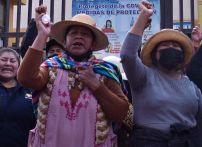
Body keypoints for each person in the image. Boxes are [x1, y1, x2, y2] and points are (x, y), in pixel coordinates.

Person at [18, 13, 129, 146]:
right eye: (73, 33)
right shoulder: (50, 67)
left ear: (93, 44)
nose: (78, 36)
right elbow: (26, 78)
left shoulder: (104, 72)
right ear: (64, 42)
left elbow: (120, 113)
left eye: (85, 34)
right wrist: (42, 35)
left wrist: (96, 86)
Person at [120, 0, 202, 146]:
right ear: (154, 54)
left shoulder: (192, 85)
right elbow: (127, 55)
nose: (171, 48)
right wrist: (143, 17)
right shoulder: (143, 76)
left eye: (176, 46)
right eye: (165, 45)